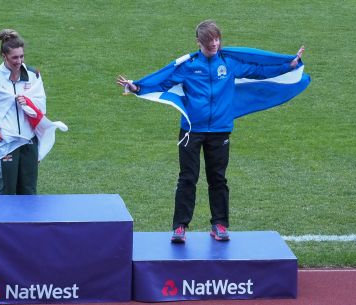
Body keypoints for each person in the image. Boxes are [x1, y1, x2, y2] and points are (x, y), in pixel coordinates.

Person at [118, 20, 305, 243]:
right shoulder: (188, 65)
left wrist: (288, 66)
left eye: (217, 39)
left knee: (218, 179)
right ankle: (179, 227)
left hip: (220, 130)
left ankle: (220, 225)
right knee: (187, 178)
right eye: (209, 41)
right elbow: (163, 81)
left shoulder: (229, 62)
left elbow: (258, 71)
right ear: (199, 42)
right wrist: (137, 87)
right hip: (191, 131)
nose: (214, 44)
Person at [0, 29, 47, 195]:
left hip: (29, 141)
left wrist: (28, 103)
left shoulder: (33, 75)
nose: (19, 61)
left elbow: (41, 106)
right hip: (7, 144)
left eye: (21, 56)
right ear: (4, 56)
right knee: (7, 191)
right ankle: (3, 222)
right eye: (14, 57)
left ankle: (28, 222)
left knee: (29, 192)